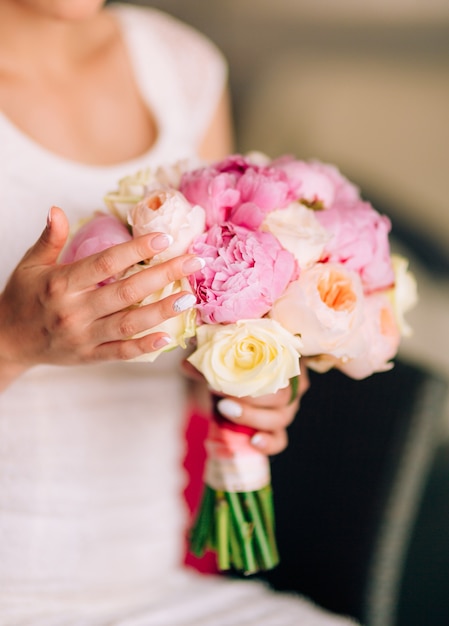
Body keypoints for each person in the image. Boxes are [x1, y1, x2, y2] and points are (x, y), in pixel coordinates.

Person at [0, 1, 358, 623]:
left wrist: (238, 380)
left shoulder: (181, 68)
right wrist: (12, 342)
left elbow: (193, 349)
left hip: (153, 592)